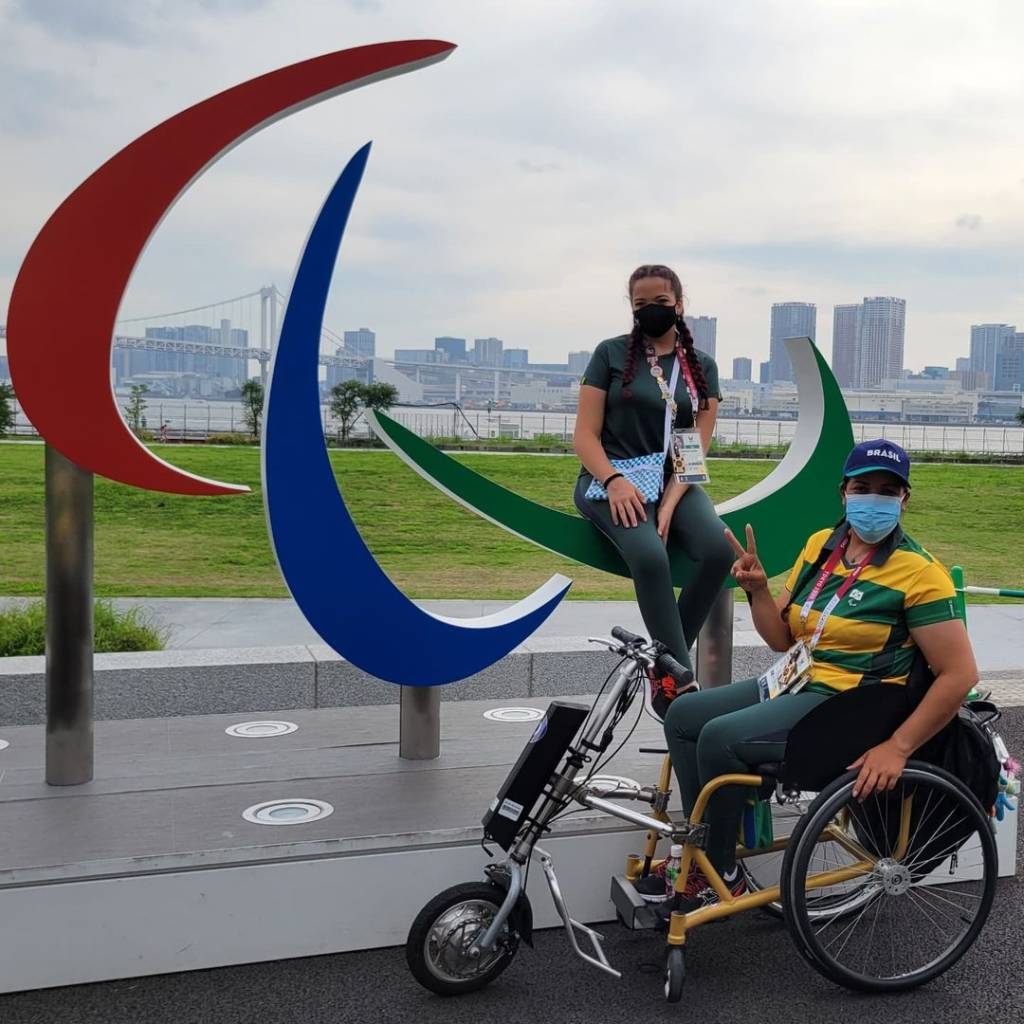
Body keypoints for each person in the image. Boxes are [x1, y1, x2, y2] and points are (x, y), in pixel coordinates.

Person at [635, 439, 978, 908]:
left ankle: (719, 868)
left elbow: (959, 676)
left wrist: (897, 749)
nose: (873, 498)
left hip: (850, 706)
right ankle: (710, 842)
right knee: (683, 714)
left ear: (904, 500)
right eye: (863, 487)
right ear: (844, 493)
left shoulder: (920, 574)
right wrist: (757, 590)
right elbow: (781, 638)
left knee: (719, 738)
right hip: (797, 681)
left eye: (887, 490)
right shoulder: (823, 547)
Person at [573, 265, 734, 707]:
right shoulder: (609, 354)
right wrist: (614, 480)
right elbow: (583, 436)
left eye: (661, 303)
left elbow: (695, 445)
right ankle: (678, 684)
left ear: (679, 306)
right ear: (631, 308)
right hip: (611, 480)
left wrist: (670, 502)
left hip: (671, 481)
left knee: (719, 548)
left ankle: (661, 663)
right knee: (649, 555)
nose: (651, 311)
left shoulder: (702, 367)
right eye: (641, 304)